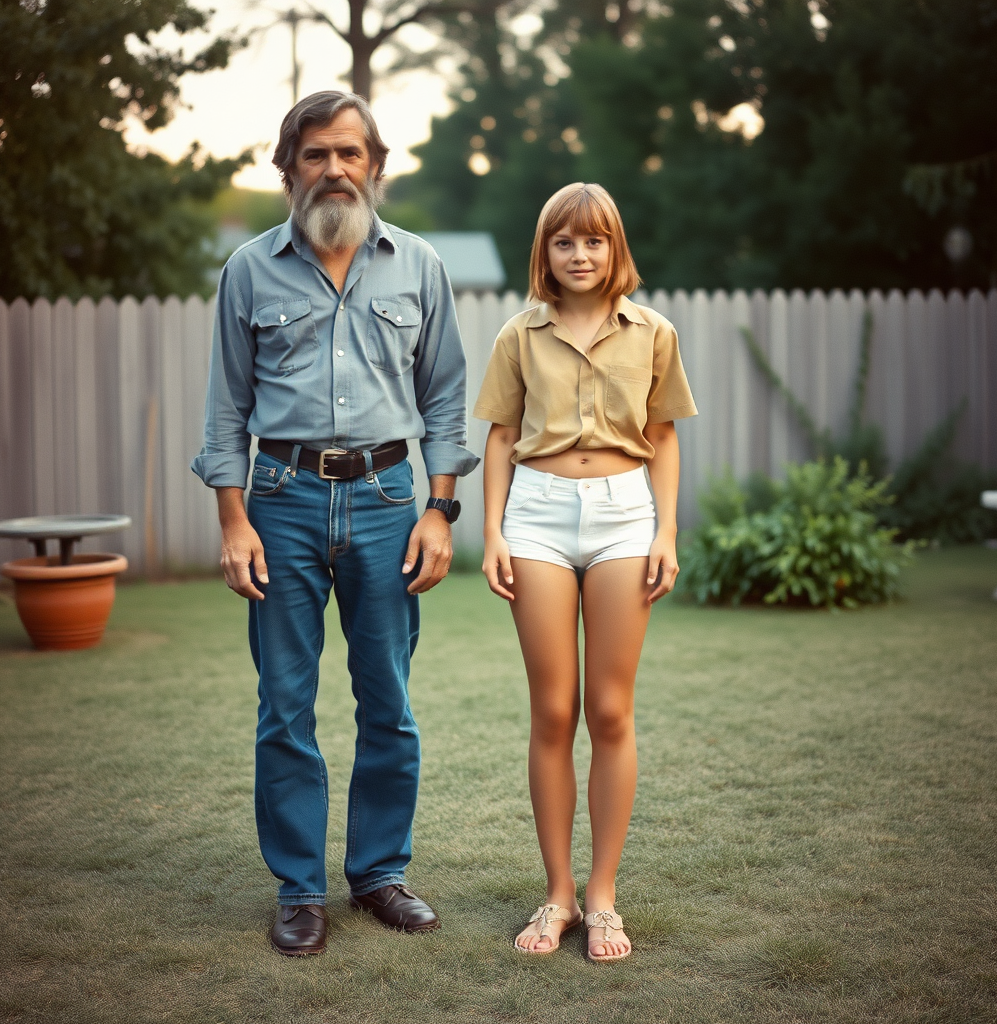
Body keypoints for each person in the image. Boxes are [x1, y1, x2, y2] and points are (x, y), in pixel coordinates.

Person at [191, 91, 477, 956]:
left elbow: (447, 397)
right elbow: (224, 411)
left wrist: (440, 508)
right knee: (285, 703)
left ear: (375, 165)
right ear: (289, 170)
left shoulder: (419, 265)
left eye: (351, 153)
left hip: (394, 501)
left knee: (387, 698)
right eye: (316, 154)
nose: (335, 168)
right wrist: (235, 522)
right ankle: (301, 888)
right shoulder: (249, 269)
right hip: (281, 499)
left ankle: (381, 873)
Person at [474, 183, 697, 962]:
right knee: (553, 709)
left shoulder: (653, 331)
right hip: (534, 513)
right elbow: (501, 436)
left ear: (615, 249)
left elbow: (663, 437)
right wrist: (493, 530)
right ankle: (557, 895)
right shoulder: (519, 334)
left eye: (594, 241)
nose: (580, 255)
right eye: (564, 242)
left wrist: (666, 530)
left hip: (623, 516)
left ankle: (603, 896)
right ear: (546, 252)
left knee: (609, 709)